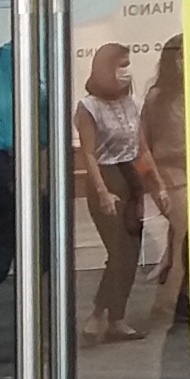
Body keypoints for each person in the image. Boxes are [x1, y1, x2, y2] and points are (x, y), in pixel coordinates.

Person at [74, 40, 151, 342]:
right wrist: (103, 191)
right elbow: (88, 154)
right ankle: (98, 313)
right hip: (106, 176)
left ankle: (116, 318)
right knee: (118, 250)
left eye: (128, 64)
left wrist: (154, 184)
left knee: (131, 252)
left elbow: (141, 148)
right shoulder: (89, 107)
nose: (126, 70)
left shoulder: (130, 102)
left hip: (129, 174)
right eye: (121, 65)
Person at [139, 38, 189, 335]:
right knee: (184, 239)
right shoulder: (158, 97)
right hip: (170, 176)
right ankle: (168, 304)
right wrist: (153, 180)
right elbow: (143, 144)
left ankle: (174, 299)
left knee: (177, 242)